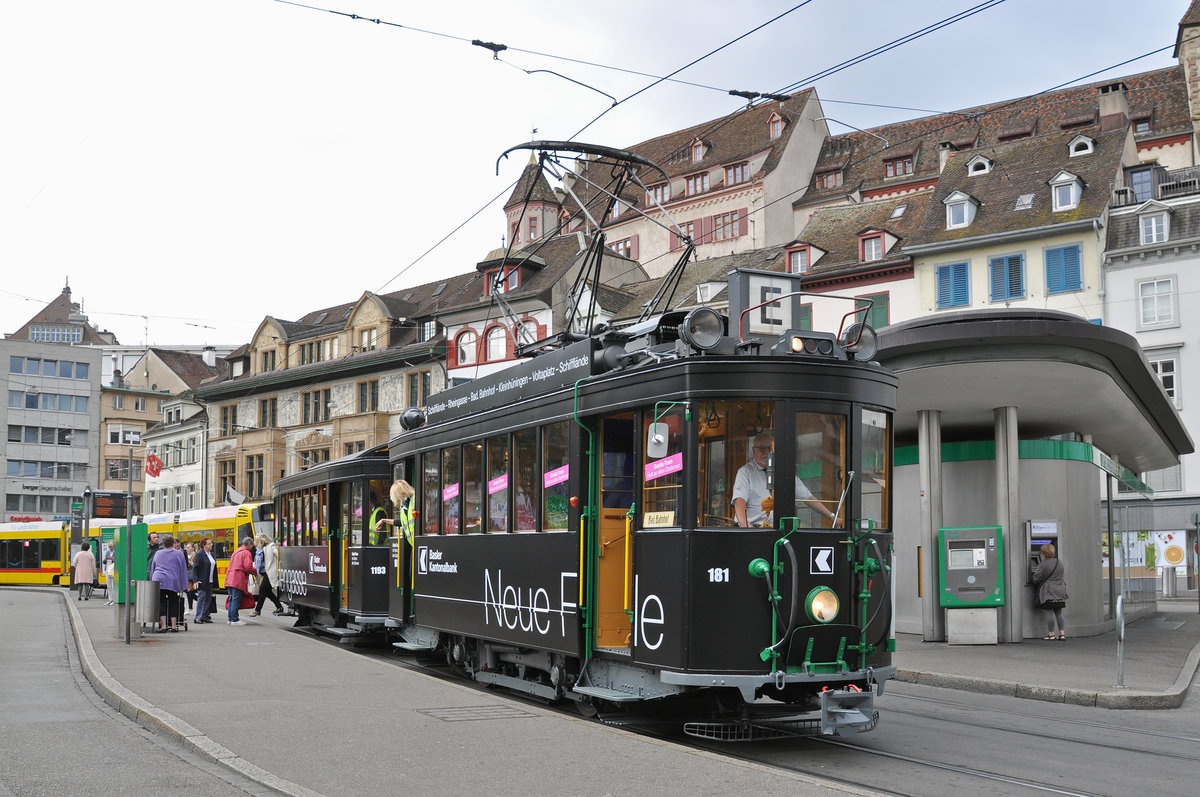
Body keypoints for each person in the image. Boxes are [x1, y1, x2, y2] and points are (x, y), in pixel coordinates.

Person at [732, 431, 841, 528]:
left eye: (770, 448)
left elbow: (808, 498)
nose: (766, 452)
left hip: (777, 530)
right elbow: (740, 500)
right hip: (753, 530)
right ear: (753, 450)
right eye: (762, 448)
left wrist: (832, 517)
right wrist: (744, 525)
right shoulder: (745, 472)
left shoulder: (783, 472)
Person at [148, 535, 188, 632]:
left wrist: (152, 581)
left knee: (161, 602)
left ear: (164, 543)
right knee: (173, 602)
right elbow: (183, 569)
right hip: (172, 580)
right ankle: (174, 626)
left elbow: (153, 567)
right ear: (173, 543)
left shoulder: (158, 553)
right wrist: (184, 585)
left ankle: (163, 626)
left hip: (159, 579)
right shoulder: (179, 554)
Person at [1033, 543, 1068, 640]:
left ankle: (1051, 634)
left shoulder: (1042, 564)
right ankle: (1062, 634)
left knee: (1049, 613)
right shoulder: (1059, 562)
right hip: (1060, 590)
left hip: (1048, 591)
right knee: (1059, 612)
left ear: (1044, 554)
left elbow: (1037, 579)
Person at [224, 536, 258, 626]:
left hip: (230, 578)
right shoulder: (246, 553)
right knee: (236, 599)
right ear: (249, 544)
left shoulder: (236, 551)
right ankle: (234, 619)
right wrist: (256, 572)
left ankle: (230, 618)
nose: (252, 548)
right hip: (238, 579)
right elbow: (248, 567)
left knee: (231, 599)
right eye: (252, 546)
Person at [251, 533, 284, 616]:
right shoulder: (262, 549)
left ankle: (257, 610)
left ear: (261, 540)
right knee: (267, 592)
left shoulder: (271, 546)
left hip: (269, 573)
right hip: (264, 573)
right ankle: (279, 607)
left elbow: (279, 555)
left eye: (256, 541)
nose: (255, 543)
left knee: (262, 590)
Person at [191, 537, 218, 623]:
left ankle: (205, 616)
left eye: (211, 543)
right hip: (202, 580)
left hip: (210, 580)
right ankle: (198, 617)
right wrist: (195, 580)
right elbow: (195, 568)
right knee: (202, 599)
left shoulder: (211, 554)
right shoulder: (200, 554)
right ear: (204, 545)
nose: (211, 545)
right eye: (209, 544)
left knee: (208, 599)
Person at [182, 542, 198, 615]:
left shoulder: (196, 555)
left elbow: (197, 566)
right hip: (187, 576)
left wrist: (191, 564)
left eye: (188, 547)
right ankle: (190, 608)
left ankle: (203, 603)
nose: (187, 549)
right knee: (188, 592)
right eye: (186, 547)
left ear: (193, 548)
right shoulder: (186, 555)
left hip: (193, 576)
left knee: (191, 593)